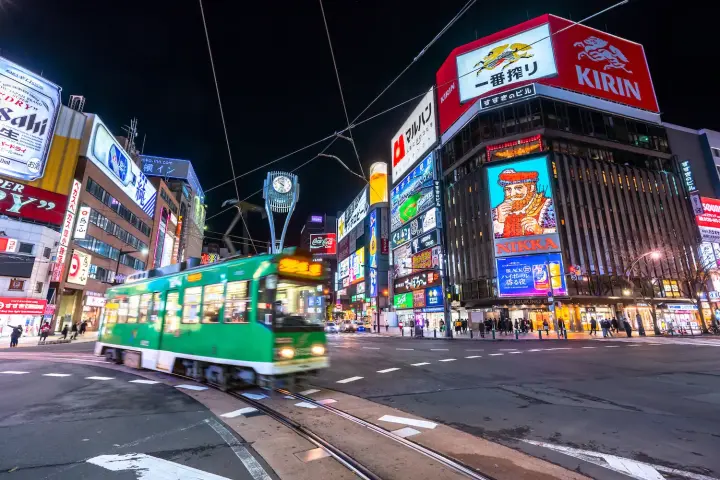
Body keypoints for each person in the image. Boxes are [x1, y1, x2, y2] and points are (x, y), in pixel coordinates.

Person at [491, 168, 556, 238]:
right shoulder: (496, 212)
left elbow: (562, 230)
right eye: (508, 189)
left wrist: (541, 230)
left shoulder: (548, 205)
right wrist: (500, 222)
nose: (512, 194)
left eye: (518, 188)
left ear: (531, 188)